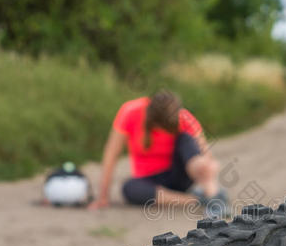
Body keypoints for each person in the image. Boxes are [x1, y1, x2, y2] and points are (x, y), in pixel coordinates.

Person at [88, 90, 228, 216]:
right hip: (149, 181)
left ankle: (213, 197)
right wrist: (103, 196)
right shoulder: (130, 112)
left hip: (179, 174)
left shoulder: (183, 117)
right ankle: (197, 200)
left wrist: (209, 169)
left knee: (186, 140)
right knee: (129, 188)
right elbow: (111, 154)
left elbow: (206, 156)